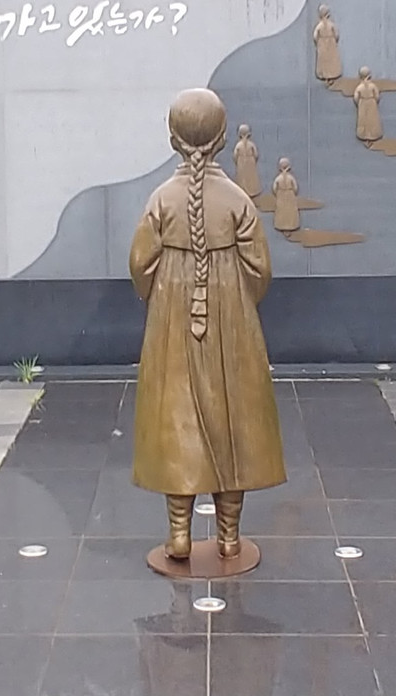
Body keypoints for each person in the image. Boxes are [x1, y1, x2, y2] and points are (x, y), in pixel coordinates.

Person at [129, 88, 286, 562]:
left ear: (173, 137)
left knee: (175, 414)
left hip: (172, 319)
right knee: (234, 419)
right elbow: (260, 270)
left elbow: (140, 264)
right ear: (221, 138)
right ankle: (229, 535)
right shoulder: (238, 200)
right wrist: (237, 303)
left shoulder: (161, 199)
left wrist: (162, 297)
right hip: (230, 317)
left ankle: (178, 533)